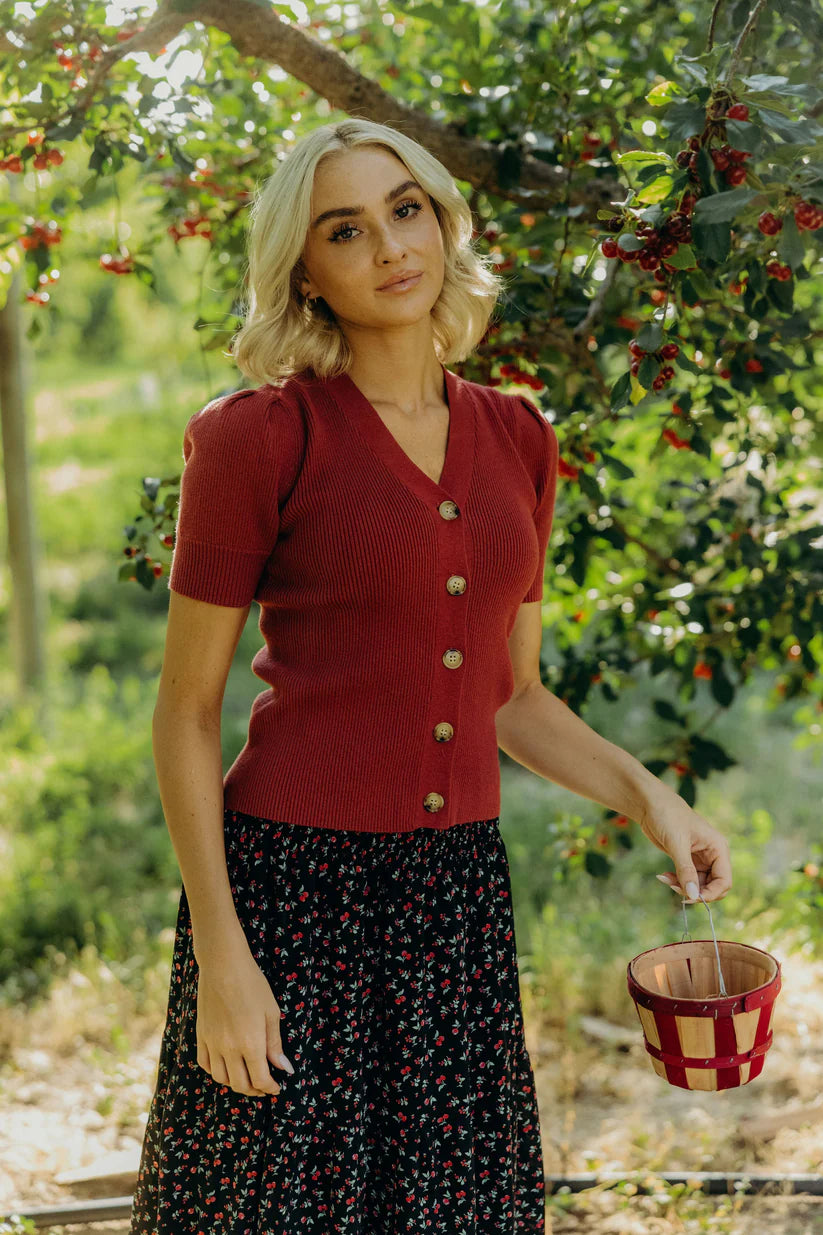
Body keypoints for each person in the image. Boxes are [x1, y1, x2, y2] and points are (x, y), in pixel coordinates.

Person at [129, 118, 732, 1234]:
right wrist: (222, 951)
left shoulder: (519, 435)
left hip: (452, 899)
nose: (389, 246)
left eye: (405, 210)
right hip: (290, 895)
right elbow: (186, 712)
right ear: (304, 272)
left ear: (444, 224)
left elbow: (512, 696)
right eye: (345, 229)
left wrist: (652, 798)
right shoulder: (257, 436)